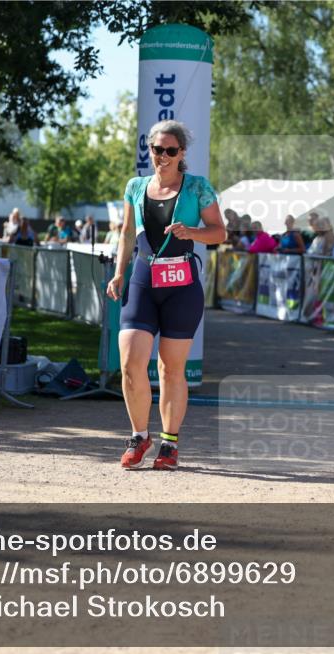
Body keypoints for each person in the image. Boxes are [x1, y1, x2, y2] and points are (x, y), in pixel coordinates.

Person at [106, 119, 225, 471]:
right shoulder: (135, 186)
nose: (163, 156)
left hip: (181, 286)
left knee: (171, 370)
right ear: (150, 149)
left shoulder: (198, 188)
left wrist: (191, 231)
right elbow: (128, 233)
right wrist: (118, 273)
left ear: (182, 153)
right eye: (157, 149)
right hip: (143, 280)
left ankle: (169, 444)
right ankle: (139, 436)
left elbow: (219, 233)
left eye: (171, 150)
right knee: (130, 363)